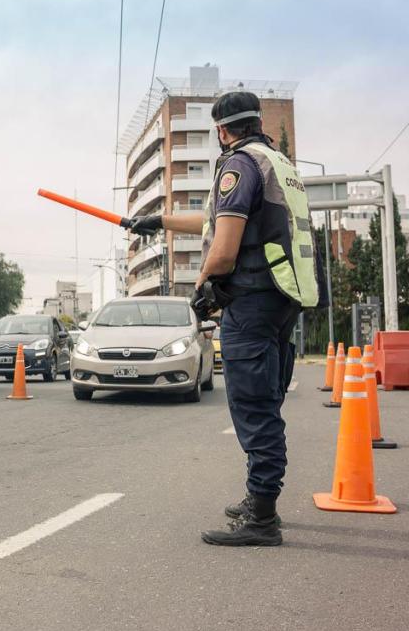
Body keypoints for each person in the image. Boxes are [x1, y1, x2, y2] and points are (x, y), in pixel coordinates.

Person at [128, 91, 321, 546]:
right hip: (282, 296)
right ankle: (259, 499)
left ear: (221, 129)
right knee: (266, 401)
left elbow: (225, 244)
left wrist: (202, 287)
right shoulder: (275, 163)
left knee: (253, 407)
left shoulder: (236, 165)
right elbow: (218, 219)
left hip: (251, 300)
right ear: (255, 121)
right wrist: (159, 222)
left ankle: (262, 520)